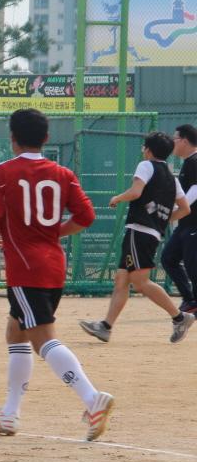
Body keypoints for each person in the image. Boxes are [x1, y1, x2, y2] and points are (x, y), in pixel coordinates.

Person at [0, 108, 113, 441]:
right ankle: (9, 414)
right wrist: (55, 232)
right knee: (16, 333)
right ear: (46, 138)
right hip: (53, 264)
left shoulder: (3, 172)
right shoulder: (62, 174)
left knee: (43, 339)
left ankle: (92, 399)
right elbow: (86, 216)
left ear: (12, 138)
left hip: (25, 268)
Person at [79, 132, 194, 344]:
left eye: (144, 147)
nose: (143, 150)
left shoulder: (146, 165)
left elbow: (135, 192)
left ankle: (180, 317)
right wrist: (162, 221)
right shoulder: (172, 178)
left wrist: (117, 198)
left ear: (148, 150)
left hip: (140, 231)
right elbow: (185, 209)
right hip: (149, 233)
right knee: (121, 279)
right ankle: (105, 327)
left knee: (140, 283)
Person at [160, 124, 197, 314]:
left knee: (192, 265)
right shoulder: (188, 162)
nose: (172, 142)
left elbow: (195, 190)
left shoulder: (195, 161)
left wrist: (175, 212)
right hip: (185, 224)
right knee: (168, 258)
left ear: (184, 140)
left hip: (194, 224)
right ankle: (190, 300)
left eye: (175, 139)